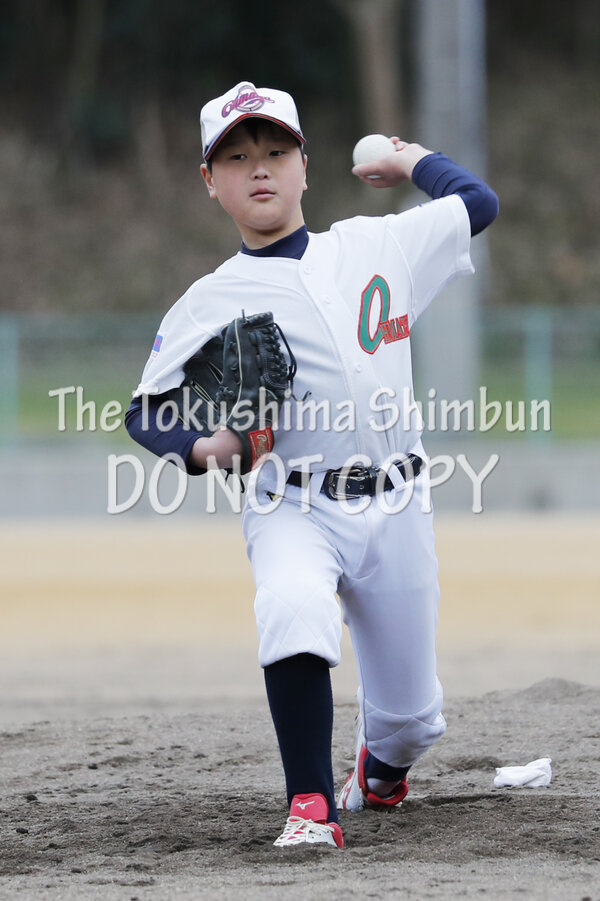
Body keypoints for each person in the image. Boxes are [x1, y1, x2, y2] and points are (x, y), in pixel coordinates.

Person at [125, 80, 498, 850]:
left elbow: (477, 203)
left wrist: (410, 159)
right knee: (293, 606)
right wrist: (205, 447)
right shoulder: (210, 298)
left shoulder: (375, 246)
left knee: (413, 721)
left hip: (398, 501)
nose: (259, 168)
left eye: (275, 150)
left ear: (306, 166)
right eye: (236, 158)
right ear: (210, 181)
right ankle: (309, 804)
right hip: (291, 503)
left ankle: (380, 770)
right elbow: (145, 410)